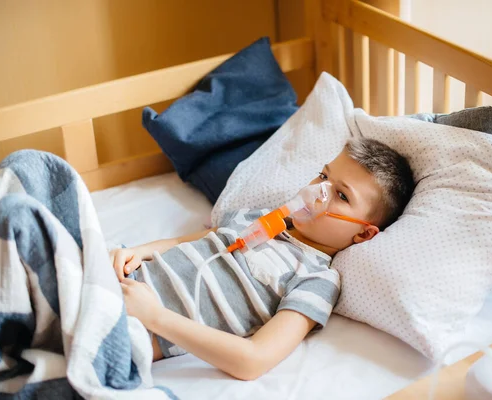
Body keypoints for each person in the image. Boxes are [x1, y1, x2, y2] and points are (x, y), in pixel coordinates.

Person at [111, 137, 414, 381]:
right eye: (323, 176)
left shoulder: (316, 280)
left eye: (342, 196)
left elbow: (253, 360)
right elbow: (184, 242)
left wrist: (154, 316)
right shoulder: (258, 218)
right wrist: (139, 250)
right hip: (119, 278)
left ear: (363, 234)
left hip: (134, 328)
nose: (318, 192)